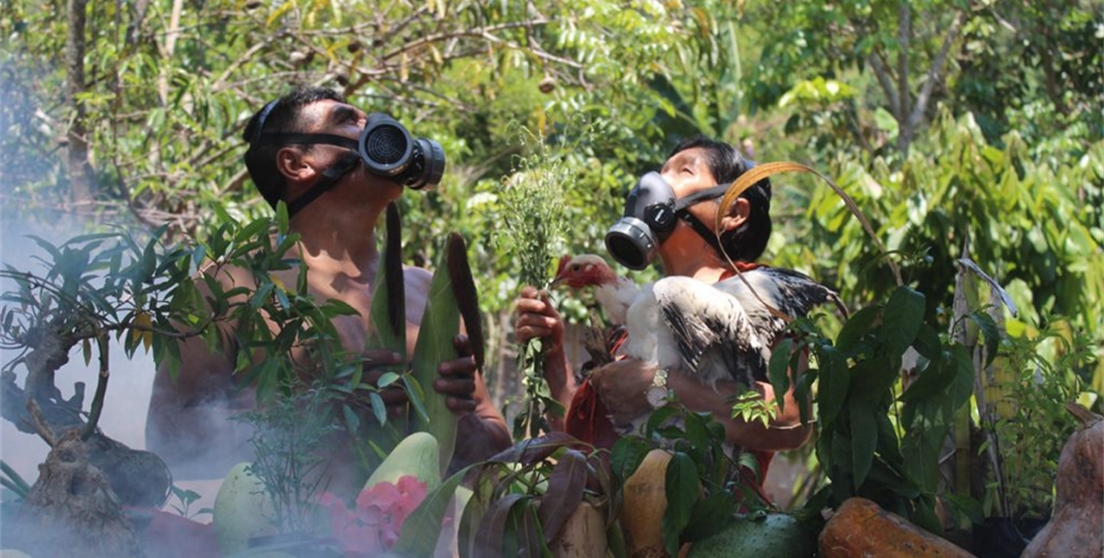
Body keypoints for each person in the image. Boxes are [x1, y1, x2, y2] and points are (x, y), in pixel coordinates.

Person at [146, 87, 511, 489]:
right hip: (293, 526)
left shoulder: (427, 291)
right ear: (296, 163)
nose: (375, 126)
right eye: (347, 120)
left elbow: (495, 453)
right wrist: (316, 414)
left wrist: (461, 423)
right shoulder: (228, 287)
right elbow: (167, 440)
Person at [515, 136, 810, 476]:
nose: (656, 183)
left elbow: (793, 420)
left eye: (684, 171)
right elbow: (585, 446)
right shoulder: (631, 325)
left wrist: (659, 385)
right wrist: (553, 356)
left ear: (733, 212)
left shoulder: (762, 296)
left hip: (712, 509)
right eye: (661, 171)